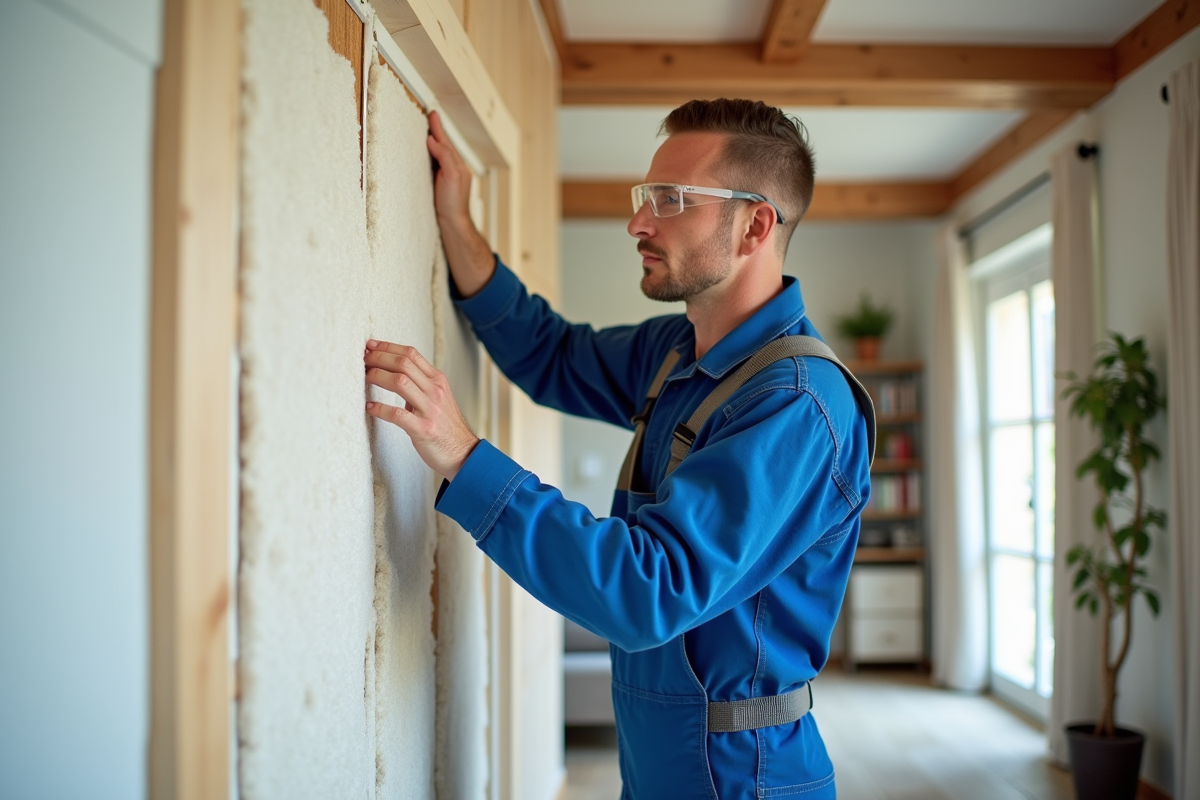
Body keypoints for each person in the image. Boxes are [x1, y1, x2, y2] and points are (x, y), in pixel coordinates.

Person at [364, 98, 873, 800]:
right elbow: (549, 353)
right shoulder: (678, 352)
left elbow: (648, 591)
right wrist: (455, 222)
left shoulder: (797, 404)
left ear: (755, 225)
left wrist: (463, 456)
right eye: (645, 196)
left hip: (741, 777)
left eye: (671, 200)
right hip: (660, 760)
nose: (638, 222)